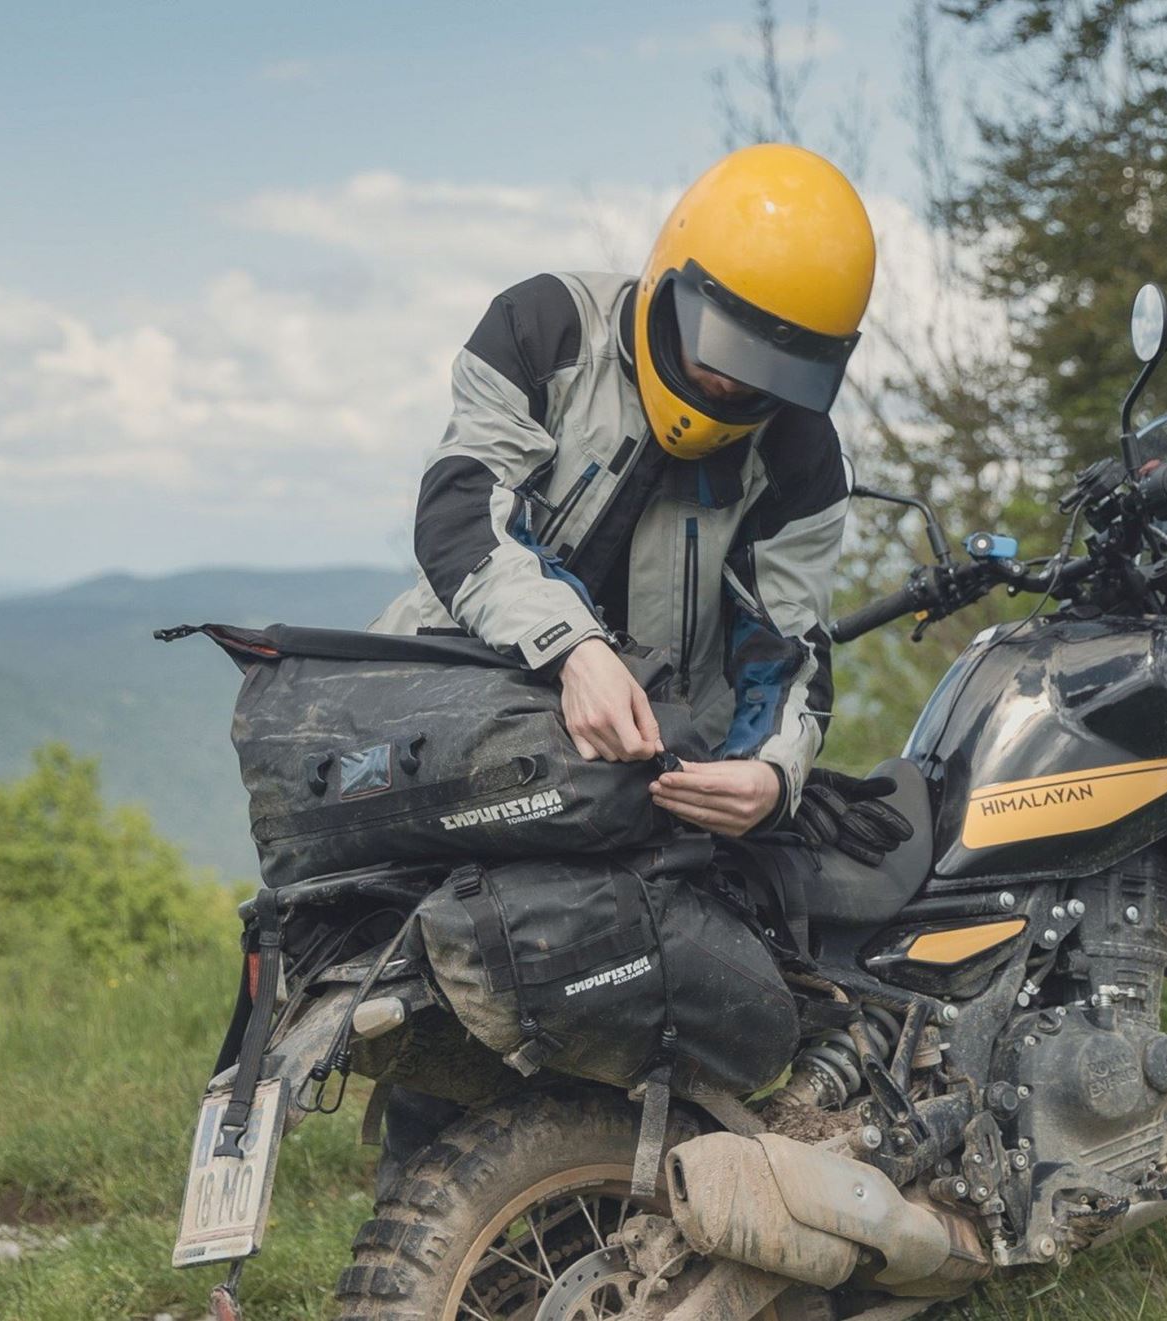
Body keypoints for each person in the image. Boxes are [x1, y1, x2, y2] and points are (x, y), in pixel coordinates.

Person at [366, 142, 875, 1183]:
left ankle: (636, 1202)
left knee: (642, 992)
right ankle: (431, 1223)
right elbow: (461, 512)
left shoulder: (801, 456)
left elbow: (790, 647)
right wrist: (574, 648)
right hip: (467, 699)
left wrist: (770, 772)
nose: (736, 381)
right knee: (456, 1019)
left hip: (640, 757)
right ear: (675, 275)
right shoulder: (545, 327)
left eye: (777, 368)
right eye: (724, 343)